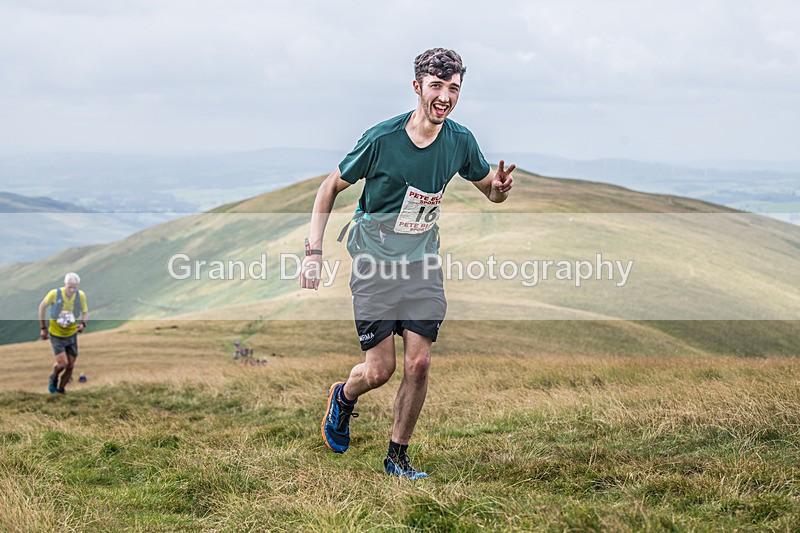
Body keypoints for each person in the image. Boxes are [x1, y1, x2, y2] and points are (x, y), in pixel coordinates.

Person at [301, 48, 514, 479]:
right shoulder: (382, 139)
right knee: (380, 370)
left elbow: (488, 188)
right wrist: (314, 253)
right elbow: (329, 187)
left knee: (419, 363)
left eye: (453, 88)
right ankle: (343, 397)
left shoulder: (460, 141)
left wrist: (501, 189)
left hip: (421, 262)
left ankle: (397, 457)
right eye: (437, 86)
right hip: (374, 262)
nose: (445, 97)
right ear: (417, 87)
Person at [38, 272, 89, 394]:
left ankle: (61, 390)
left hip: (71, 334)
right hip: (56, 335)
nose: (72, 289)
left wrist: (83, 323)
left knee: (70, 365)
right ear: (64, 284)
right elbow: (42, 307)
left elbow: (85, 311)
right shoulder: (54, 294)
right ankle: (54, 377)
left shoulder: (80, 296)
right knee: (63, 363)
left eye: (74, 287)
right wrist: (43, 328)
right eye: (69, 286)